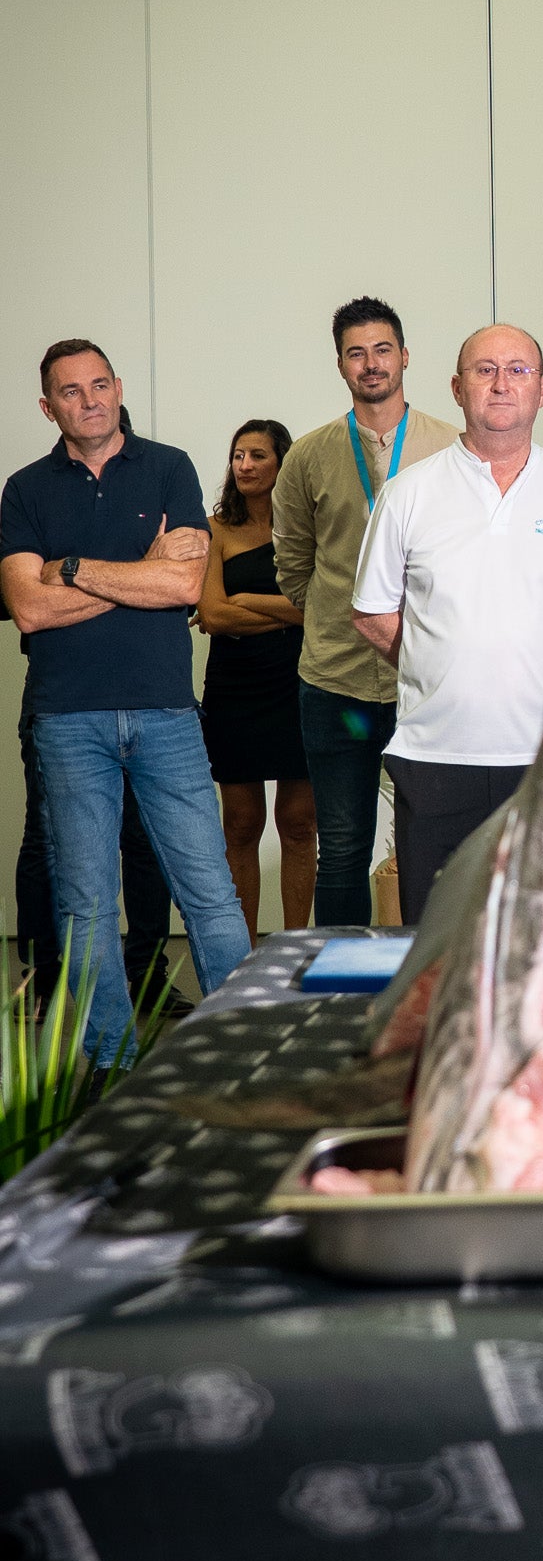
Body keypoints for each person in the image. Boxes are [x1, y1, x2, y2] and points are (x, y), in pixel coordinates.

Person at [0, 340, 251, 1065]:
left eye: (100, 384)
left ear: (117, 387)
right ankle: (110, 1062)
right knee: (85, 906)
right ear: (49, 408)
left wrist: (73, 571)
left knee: (209, 895)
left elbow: (181, 589)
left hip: (166, 714)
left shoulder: (169, 466)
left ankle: (237, 1051)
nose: (90, 400)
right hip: (66, 721)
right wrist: (138, 572)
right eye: (71, 392)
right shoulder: (24, 490)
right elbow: (29, 611)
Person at [353, 323, 543, 923]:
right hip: (434, 761)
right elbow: (373, 613)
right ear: (458, 388)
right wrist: (441, 669)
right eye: (484, 370)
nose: (502, 383)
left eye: (518, 370)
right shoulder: (408, 494)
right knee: (435, 947)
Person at [271, 298, 457, 926]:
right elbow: (293, 564)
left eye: (382, 350)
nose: (371, 364)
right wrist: (331, 613)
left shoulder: (450, 448)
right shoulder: (307, 456)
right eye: (357, 353)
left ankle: (426, 985)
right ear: (341, 366)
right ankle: (341, 999)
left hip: (427, 681)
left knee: (430, 848)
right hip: (337, 685)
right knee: (343, 849)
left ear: (404, 356)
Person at [196, 420, 316, 943]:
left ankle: (293, 945)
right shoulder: (214, 529)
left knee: (297, 821)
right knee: (241, 822)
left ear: (281, 464)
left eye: (257, 456)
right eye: (238, 455)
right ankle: (241, 954)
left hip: (300, 682)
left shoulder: (306, 526)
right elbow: (214, 616)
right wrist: (289, 611)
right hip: (235, 688)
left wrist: (246, 601)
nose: (244, 465)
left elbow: (322, 608)